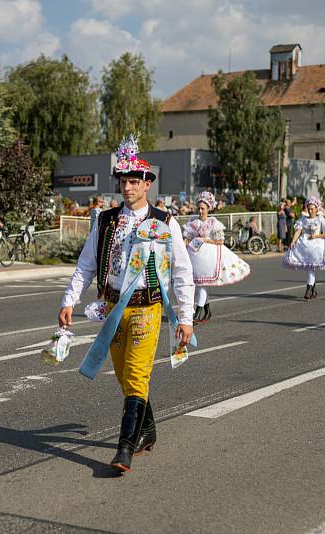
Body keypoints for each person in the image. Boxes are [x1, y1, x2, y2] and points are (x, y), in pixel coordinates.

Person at [58, 134, 194, 474]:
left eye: (135, 181)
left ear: (148, 184)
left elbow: (181, 269)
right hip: (112, 308)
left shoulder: (164, 222)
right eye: (124, 180)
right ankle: (147, 429)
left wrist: (186, 316)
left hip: (147, 307)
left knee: (136, 374)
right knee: (124, 377)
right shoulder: (104, 220)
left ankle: (124, 448)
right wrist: (69, 300)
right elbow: (87, 263)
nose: (128, 186)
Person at [184, 191, 250, 323]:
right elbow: (187, 238)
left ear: (209, 208)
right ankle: (207, 311)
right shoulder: (193, 222)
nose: (201, 211)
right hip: (195, 257)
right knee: (199, 284)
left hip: (208, 257)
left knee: (202, 284)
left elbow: (220, 241)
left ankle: (198, 313)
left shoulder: (214, 223)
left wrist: (206, 240)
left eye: (203, 208)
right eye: (199, 208)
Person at [283, 196, 325, 299]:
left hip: (317, 246)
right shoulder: (303, 219)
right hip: (305, 246)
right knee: (310, 268)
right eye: (309, 208)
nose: (310, 210)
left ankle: (308, 290)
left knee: (311, 268)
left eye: (312, 208)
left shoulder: (321, 219)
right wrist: (292, 242)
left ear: (317, 209)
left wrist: (316, 236)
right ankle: (313, 290)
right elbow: (298, 231)